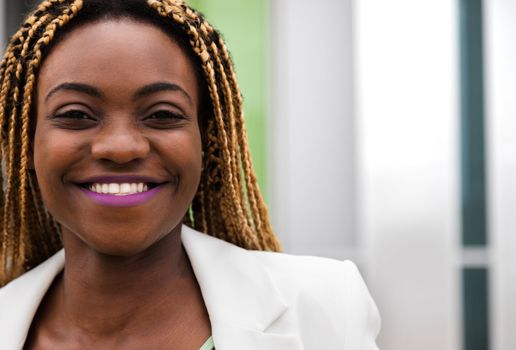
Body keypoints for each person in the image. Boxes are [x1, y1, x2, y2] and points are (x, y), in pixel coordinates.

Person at [0, 0, 380, 348]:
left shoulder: (326, 306)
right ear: (27, 144)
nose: (120, 147)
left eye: (162, 114)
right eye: (76, 115)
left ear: (206, 140)